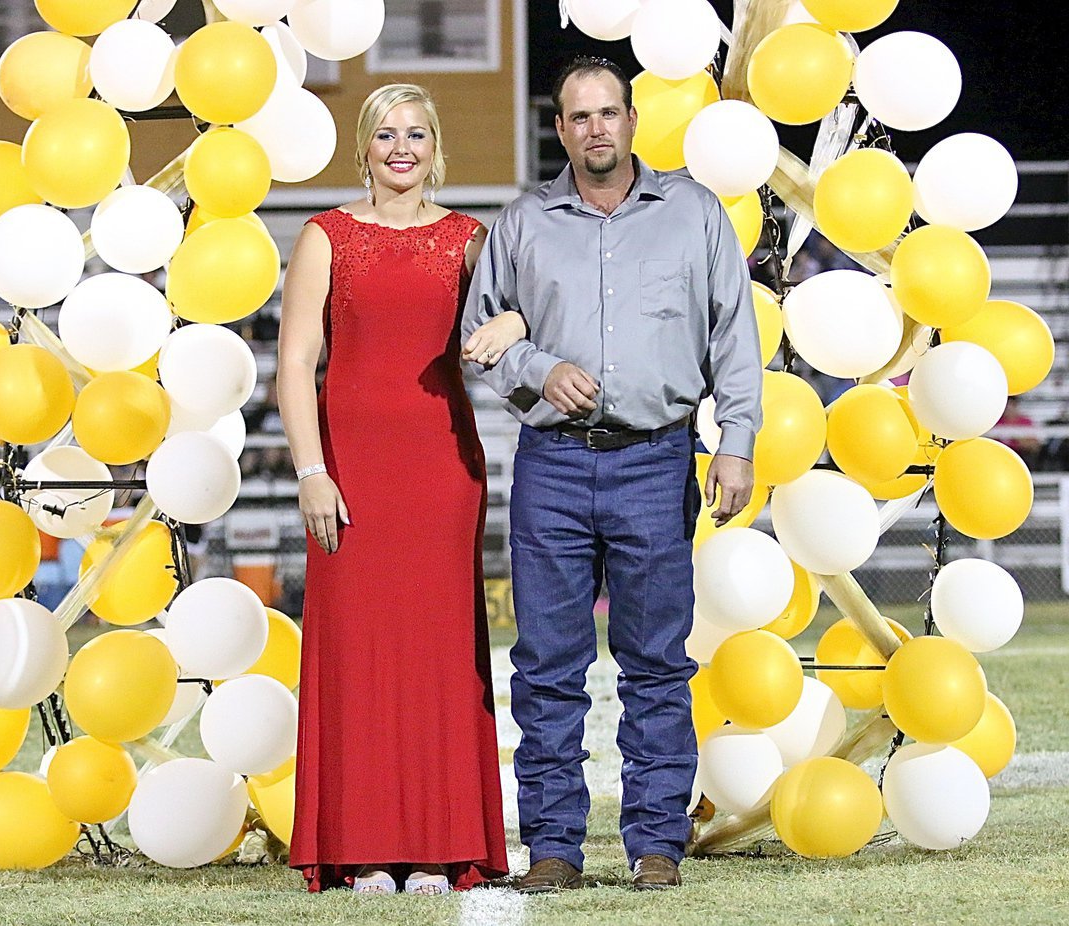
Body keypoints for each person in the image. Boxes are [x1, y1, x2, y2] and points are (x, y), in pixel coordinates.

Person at [462, 56, 763, 892]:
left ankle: (656, 846)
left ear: (632, 119)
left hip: (659, 458)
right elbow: (479, 335)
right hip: (553, 467)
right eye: (578, 116)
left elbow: (733, 334)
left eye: (608, 113)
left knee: (657, 662)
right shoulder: (523, 223)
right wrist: (538, 368)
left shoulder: (694, 214)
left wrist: (735, 440)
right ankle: (554, 849)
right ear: (560, 130)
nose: (596, 128)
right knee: (547, 665)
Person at [276, 83, 521, 896]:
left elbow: (530, 305)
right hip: (347, 471)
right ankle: (365, 845)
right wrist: (312, 471)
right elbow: (293, 367)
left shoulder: (468, 239)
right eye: (387, 134)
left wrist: (511, 325)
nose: (402, 147)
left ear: (435, 144)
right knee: (358, 654)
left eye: (416, 133)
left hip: (440, 471)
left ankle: (442, 845)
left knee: (441, 656)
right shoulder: (327, 236)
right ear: (365, 145)